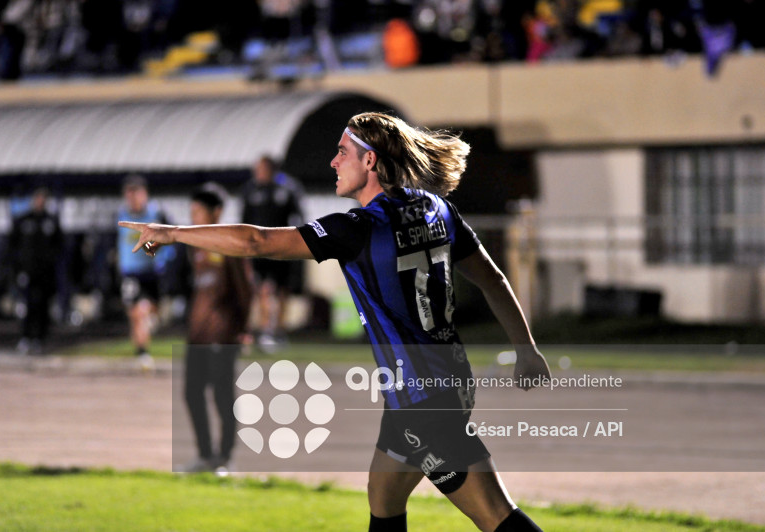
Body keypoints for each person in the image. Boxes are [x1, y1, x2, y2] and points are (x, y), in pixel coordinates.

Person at [120, 112, 551, 532]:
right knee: (383, 497)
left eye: (342, 152)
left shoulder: (358, 227)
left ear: (370, 161)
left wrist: (173, 232)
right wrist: (526, 349)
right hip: (445, 383)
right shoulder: (437, 209)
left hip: (423, 400)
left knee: (495, 515)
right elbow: (494, 280)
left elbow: (258, 242)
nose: (333, 161)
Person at [183, 183, 254, 472]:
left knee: (222, 394)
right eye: (191, 212)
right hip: (197, 335)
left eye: (198, 211)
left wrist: (242, 328)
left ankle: (225, 458)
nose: (193, 217)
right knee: (191, 393)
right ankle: (205, 455)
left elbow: (245, 290)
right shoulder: (194, 245)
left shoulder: (229, 244)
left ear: (217, 212)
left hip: (223, 334)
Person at [240, 155, 303, 348]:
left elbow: (298, 217)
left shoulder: (288, 188)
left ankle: (279, 331)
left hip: (283, 249)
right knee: (263, 290)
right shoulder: (250, 190)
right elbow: (243, 220)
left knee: (282, 292)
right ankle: (266, 330)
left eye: (262, 169)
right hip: (259, 250)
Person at [116, 174, 170, 370]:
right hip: (131, 273)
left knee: (151, 312)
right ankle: (142, 353)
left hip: (153, 272)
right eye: (129, 195)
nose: (133, 199)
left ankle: (141, 344)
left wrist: (152, 247)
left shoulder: (156, 214)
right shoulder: (121, 215)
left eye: (136, 194)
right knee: (137, 313)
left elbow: (169, 242)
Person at [9, 187, 63, 355]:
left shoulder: (51, 221)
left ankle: (40, 339)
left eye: (43, 198)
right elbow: (13, 247)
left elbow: (59, 248)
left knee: (43, 306)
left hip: (45, 274)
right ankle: (25, 337)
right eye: (37, 197)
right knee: (27, 306)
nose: (40, 201)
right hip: (27, 272)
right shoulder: (23, 221)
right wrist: (17, 269)